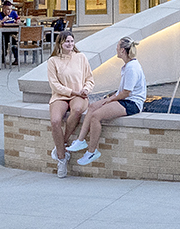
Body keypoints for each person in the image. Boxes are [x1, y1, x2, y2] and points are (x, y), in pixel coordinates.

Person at [65, 37, 144, 166]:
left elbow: (126, 93)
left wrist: (109, 100)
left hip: (132, 104)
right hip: (124, 100)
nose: (116, 49)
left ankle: (92, 151)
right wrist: (107, 99)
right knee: (91, 107)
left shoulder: (132, 68)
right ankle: (80, 141)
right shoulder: (127, 66)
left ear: (123, 50)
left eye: (117, 47)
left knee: (96, 116)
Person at [45, 32, 94, 178]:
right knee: (55, 121)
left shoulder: (81, 57)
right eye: (67, 41)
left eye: (72, 41)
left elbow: (90, 79)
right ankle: (62, 158)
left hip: (79, 94)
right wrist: (72, 92)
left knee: (77, 109)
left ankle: (62, 144)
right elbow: (54, 85)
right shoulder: (52, 61)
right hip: (61, 95)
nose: (70, 44)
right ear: (60, 43)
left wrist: (85, 89)